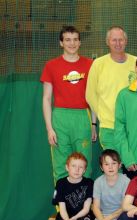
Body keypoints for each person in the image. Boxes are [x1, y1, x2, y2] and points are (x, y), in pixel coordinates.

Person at [40, 26, 95, 181]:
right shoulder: (51, 65)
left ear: (80, 42)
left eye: (75, 39)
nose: (72, 43)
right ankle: (61, 205)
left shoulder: (90, 65)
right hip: (60, 118)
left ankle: (84, 203)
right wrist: (49, 128)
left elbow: (93, 97)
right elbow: (46, 98)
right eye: (68, 40)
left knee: (85, 163)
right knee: (61, 165)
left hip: (82, 117)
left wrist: (93, 124)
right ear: (61, 43)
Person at [86, 26, 137, 149]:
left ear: (126, 41)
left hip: (133, 126)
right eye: (114, 40)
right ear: (107, 42)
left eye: (121, 39)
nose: (118, 43)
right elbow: (90, 95)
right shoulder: (98, 64)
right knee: (112, 166)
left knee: (132, 165)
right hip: (109, 128)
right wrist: (103, 116)